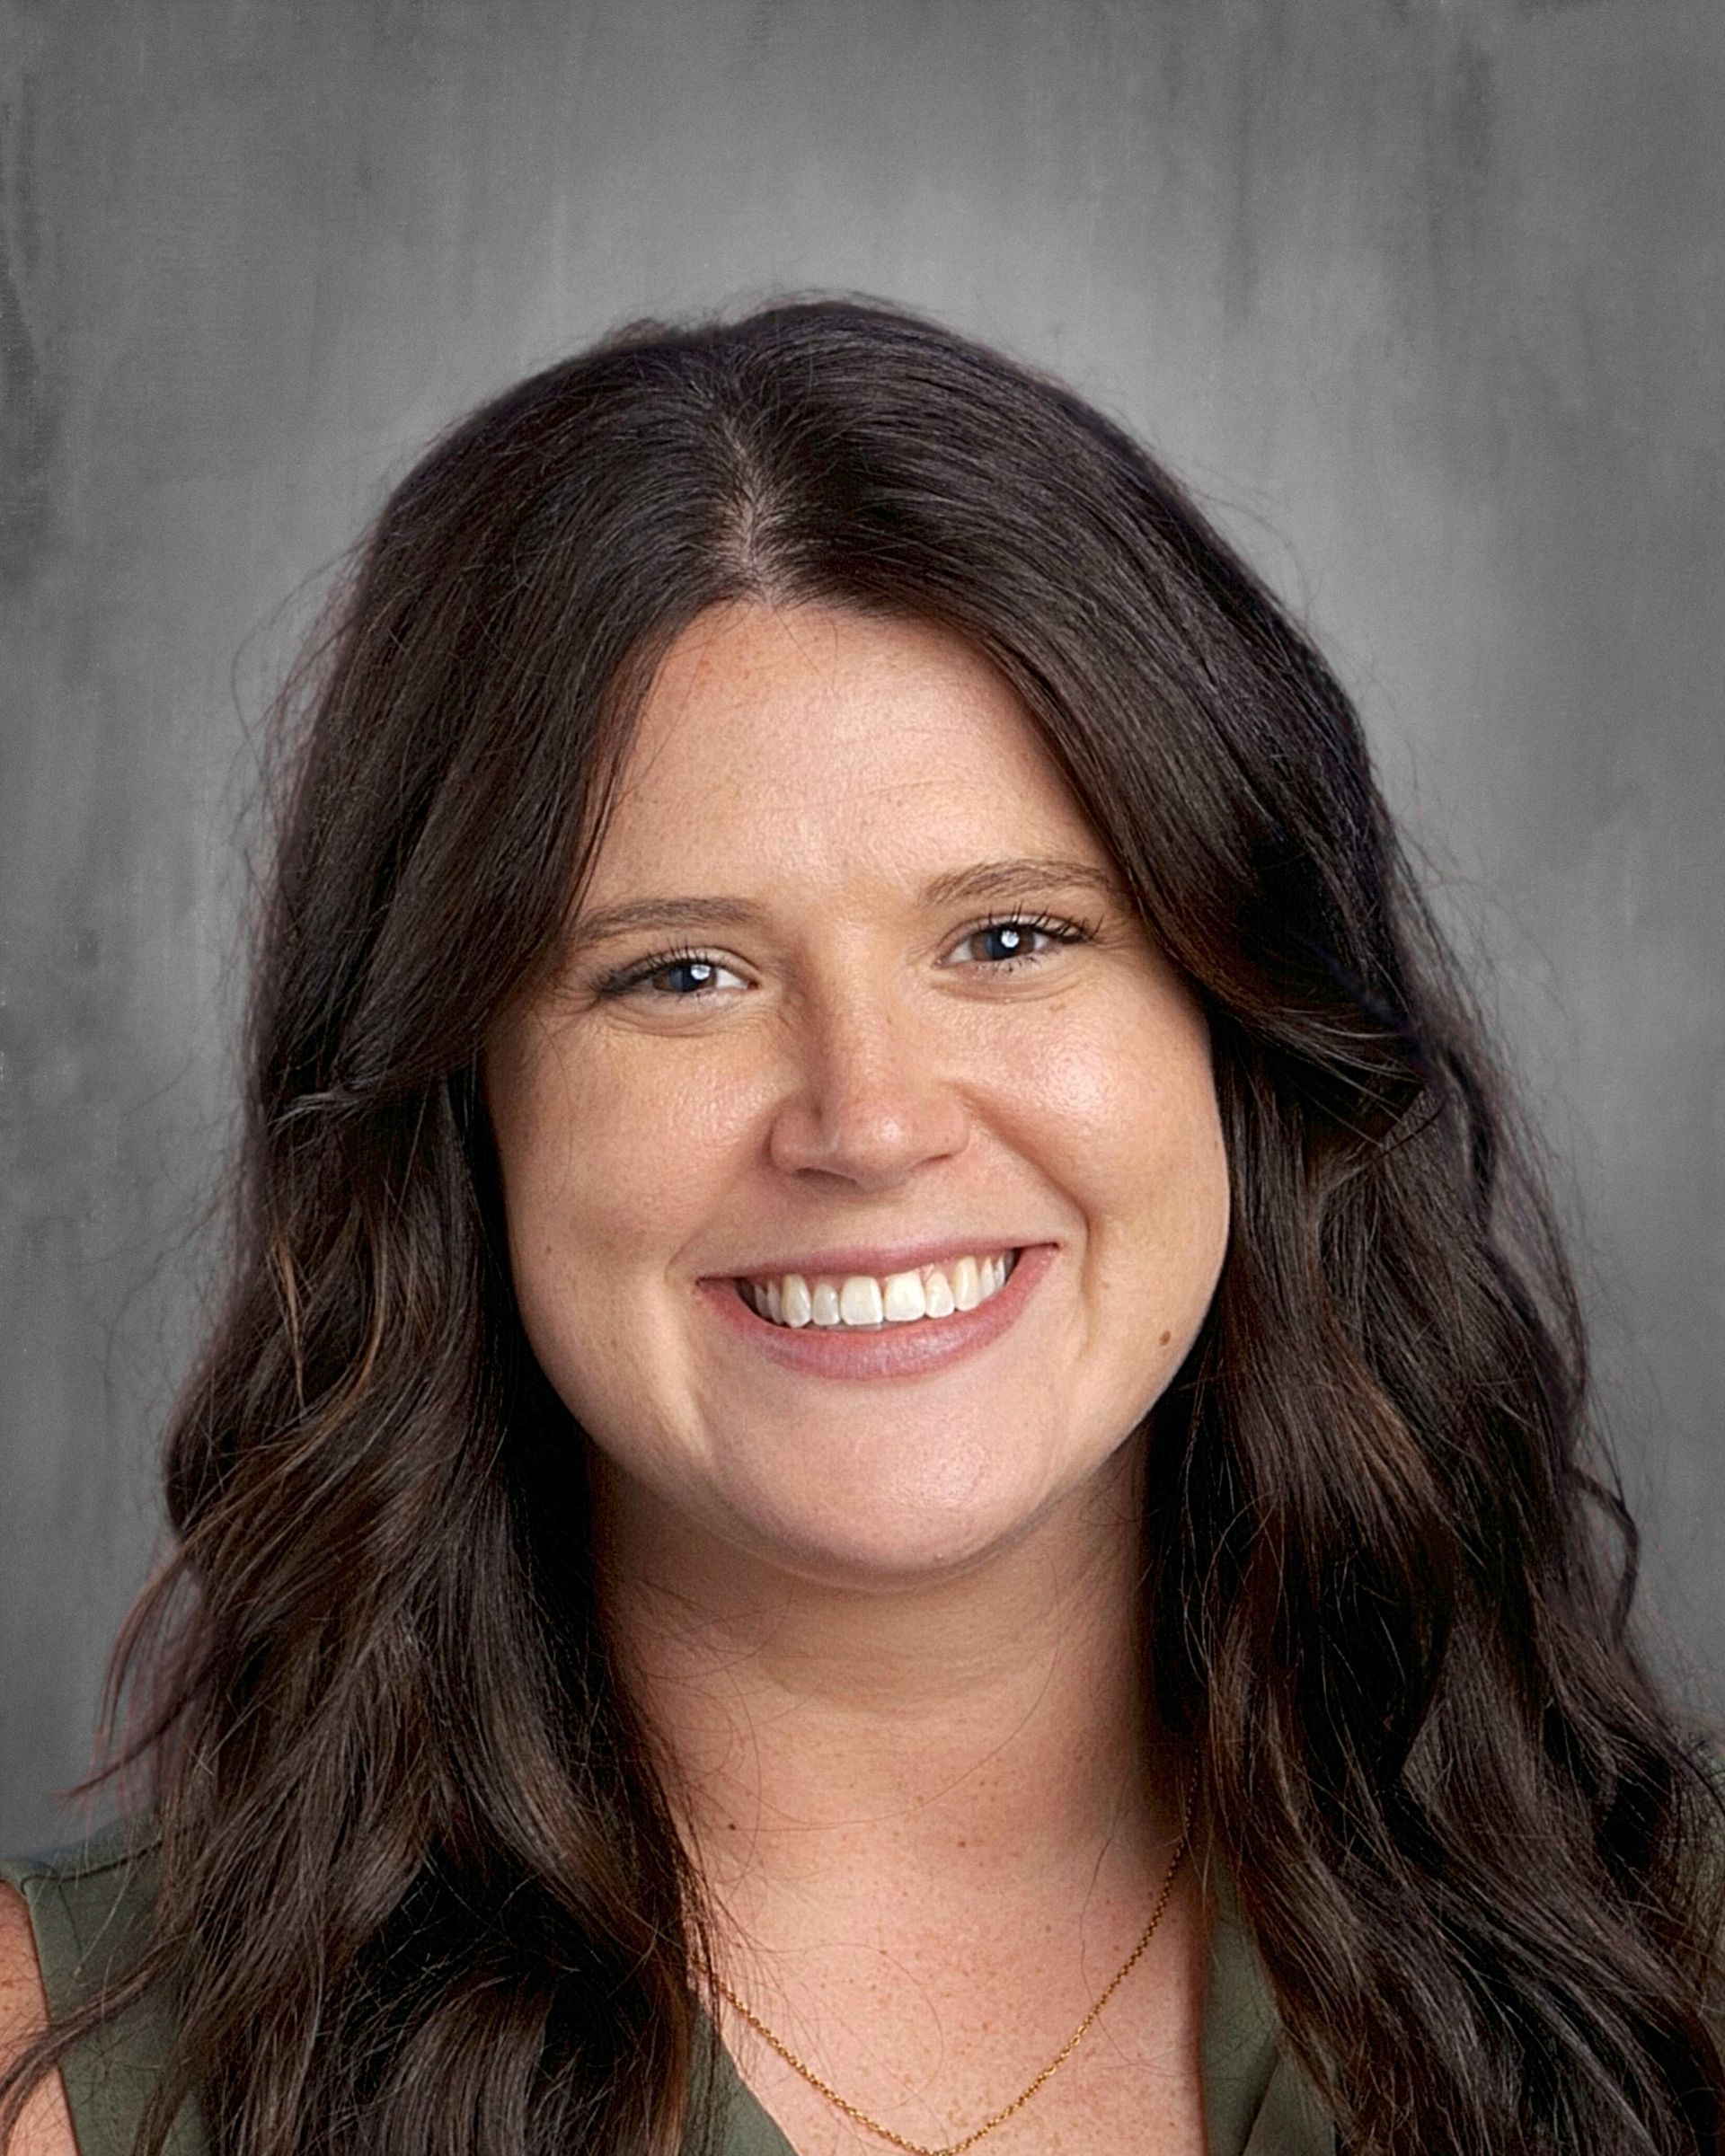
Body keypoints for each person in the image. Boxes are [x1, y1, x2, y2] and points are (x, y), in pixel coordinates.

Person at [2, 298, 1721, 2156]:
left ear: (1246, 1037)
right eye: (683, 973)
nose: (871, 1122)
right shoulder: (59, 2084)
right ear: (457, 1113)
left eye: (1010, 937)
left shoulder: (1672, 1978)